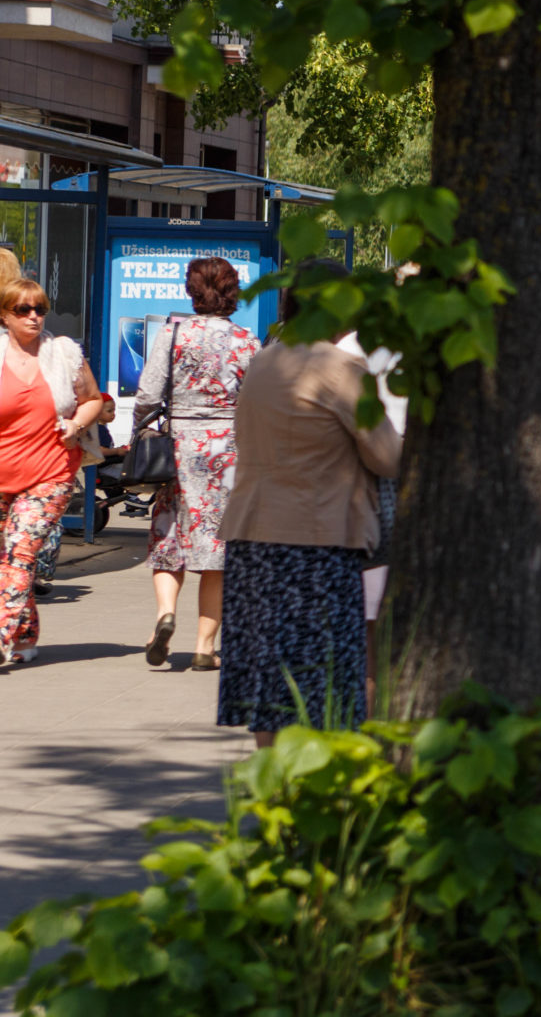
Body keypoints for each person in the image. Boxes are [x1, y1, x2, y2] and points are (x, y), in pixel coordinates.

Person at [216, 282, 402, 744]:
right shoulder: (342, 369)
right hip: (317, 541)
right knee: (324, 682)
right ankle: (314, 798)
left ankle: (273, 792)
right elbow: (387, 456)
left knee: (269, 681)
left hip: (253, 537)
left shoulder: (263, 362)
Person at [135, 258, 261, 671]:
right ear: (232, 292)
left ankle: (163, 618)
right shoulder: (247, 341)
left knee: (169, 538)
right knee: (218, 550)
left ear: (192, 291)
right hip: (228, 452)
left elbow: (149, 394)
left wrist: (138, 430)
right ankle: (206, 648)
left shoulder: (173, 334)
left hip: (179, 450)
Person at [0, 278, 103, 667]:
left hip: (50, 472)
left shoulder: (63, 353)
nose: (33, 317)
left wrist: (76, 424)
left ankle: (2, 633)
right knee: (8, 561)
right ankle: (25, 636)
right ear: (4, 316)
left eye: (39, 309)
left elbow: (93, 399)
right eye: (23, 310)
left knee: (21, 553)